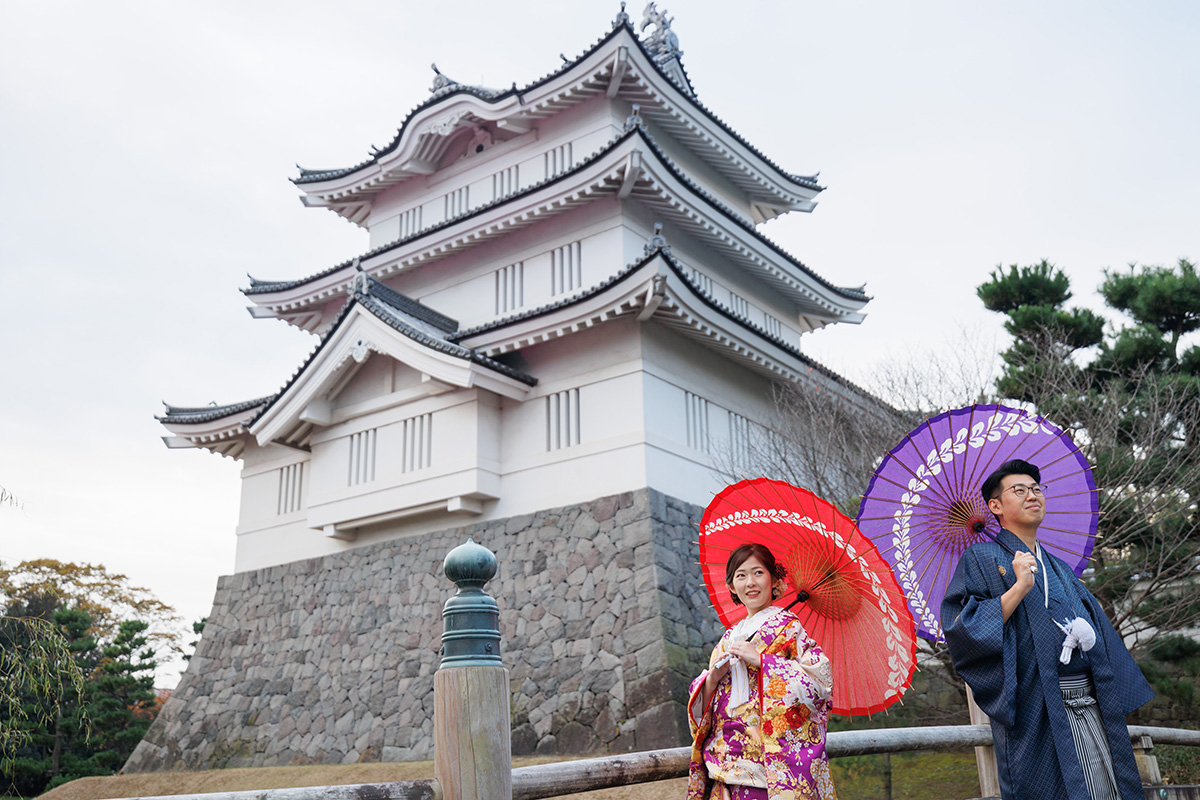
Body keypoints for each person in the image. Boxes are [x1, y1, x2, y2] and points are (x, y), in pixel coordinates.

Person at [941, 459, 1154, 800]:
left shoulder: (1057, 566)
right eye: (1019, 490)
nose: (1032, 496)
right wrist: (1018, 587)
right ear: (995, 506)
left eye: (1037, 489)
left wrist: (1088, 632)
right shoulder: (980, 559)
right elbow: (963, 629)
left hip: (1088, 701)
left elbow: (1090, 623)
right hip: (1035, 708)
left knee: (1105, 789)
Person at [685, 543, 836, 800]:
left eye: (758, 573)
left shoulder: (789, 630)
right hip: (723, 770)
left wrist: (764, 662)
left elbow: (820, 681)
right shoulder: (729, 639)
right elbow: (704, 708)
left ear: (774, 580)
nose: (750, 583)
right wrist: (712, 679)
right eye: (741, 576)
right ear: (732, 586)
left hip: (768, 773)